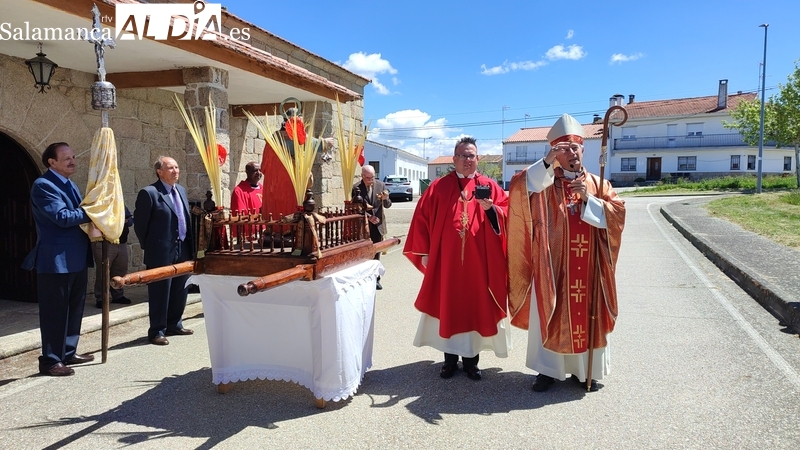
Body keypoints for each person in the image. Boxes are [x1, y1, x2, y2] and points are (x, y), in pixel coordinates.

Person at [507, 113, 626, 392]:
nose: (571, 153)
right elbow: (519, 188)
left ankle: (584, 370)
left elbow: (618, 214)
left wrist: (590, 200)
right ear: (554, 154)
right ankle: (547, 371)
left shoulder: (599, 184)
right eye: (563, 149)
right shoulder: (545, 182)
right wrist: (547, 162)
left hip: (590, 267)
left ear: (584, 150)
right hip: (553, 264)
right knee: (550, 308)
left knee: (588, 313)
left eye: (575, 147)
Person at [403, 137, 509, 381]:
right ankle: (449, 361)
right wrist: (427, 253)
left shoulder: (490, 186)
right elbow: (422, 219)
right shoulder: (439, 187)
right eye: (462, 155)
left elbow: (506, 217)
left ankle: (472, 362)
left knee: (474, 308)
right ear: (454, 159)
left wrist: (491, 209)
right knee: (447, 307)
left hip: (479, 265)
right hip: (447, 263)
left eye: (471, 155)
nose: (467, 160)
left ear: (478, 159)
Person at [22, 142, 95, 376]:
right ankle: (51, 360)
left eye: (73, 156)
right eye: (66, 158)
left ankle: (68, 352)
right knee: (55, 312)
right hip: (56, 260)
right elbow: (62, 217)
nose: (73, 161)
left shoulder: (70, 184)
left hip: (76, 257)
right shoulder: (43, 185)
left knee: (74, 308)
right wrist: (94, 211)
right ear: (51, 162)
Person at [134, 156, 196, 346]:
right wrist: (151, 246)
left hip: (182, 247)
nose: (175, 171)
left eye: (177, 167)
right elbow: (140, 225)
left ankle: (174, 324)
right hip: (161, 251)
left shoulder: (182, 191)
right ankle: (157, 330)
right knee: (161, 291)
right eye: (170, 168)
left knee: (180, 289)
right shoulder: (150, 193)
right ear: (159, 171)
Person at [356, 164, 391, 290]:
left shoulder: (381, 185)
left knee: (376, 253)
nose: (371, 180)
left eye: (373, 177)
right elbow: (355, 209)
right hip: (363, 227)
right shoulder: (356, 188)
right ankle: (364, 278)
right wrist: (368, 217)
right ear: (362, 176)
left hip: (378, 226)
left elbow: (387, 205)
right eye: (368, 178)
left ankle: (376, 279)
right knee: (364, 254)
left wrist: (386, 199)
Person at [92, 206, 133, 308]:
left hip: (121, 242)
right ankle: (101, 298)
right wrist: (119, 221)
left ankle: (118, 295)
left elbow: (130, 220)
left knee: (120, 269)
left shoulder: (120, 203)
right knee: (103, 272)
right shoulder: (99, 204)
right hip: (105, 243)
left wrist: (124, 221)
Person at [230, 161, 263, 241]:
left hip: (266, 232)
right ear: (247, 172)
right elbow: (241, 214)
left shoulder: (264, 189)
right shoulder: (239, 191)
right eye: (255, 170)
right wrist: (253, 231)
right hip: (251, 235)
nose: (258, 173)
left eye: (260, 170)